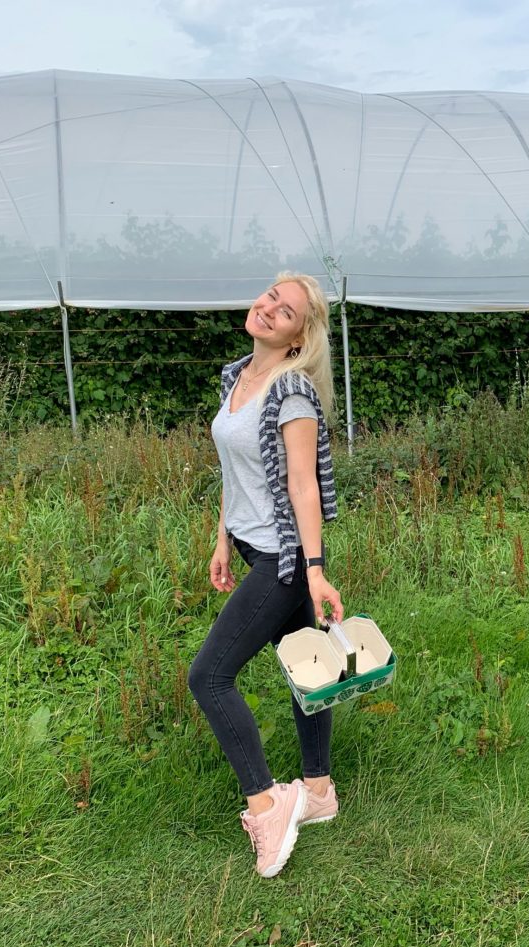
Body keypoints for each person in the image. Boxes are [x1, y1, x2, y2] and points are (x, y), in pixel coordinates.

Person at [188, 272, 343, 879]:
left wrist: (314, 572)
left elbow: (302, 487)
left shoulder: (292, 394)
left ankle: (268, 803)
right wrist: (222, 537)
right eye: (271, 296)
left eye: (287, 310)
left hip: (283, 557)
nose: (270, 307)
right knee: (308, 664)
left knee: (210, 676)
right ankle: (319, 789)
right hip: (252, 546)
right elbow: (234, 470)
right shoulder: (236, 376)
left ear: (299, 336)